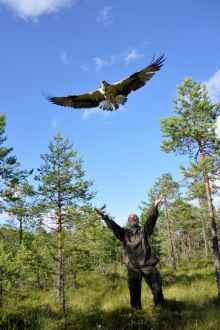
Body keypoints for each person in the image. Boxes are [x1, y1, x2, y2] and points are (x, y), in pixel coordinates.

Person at [95, 197, 164, 309]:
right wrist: (155, 205)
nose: (133, 219)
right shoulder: (133, 232)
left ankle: (156, 311)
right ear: (133, 221)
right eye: (132, 218)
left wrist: (104, 216)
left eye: (133, 218)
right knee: (143, 293)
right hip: (139, 267)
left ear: (132, 221)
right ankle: (149, 312)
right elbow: (114, 226)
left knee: (151, 292)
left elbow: (151, 219)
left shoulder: (137, 232)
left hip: (141, 267)